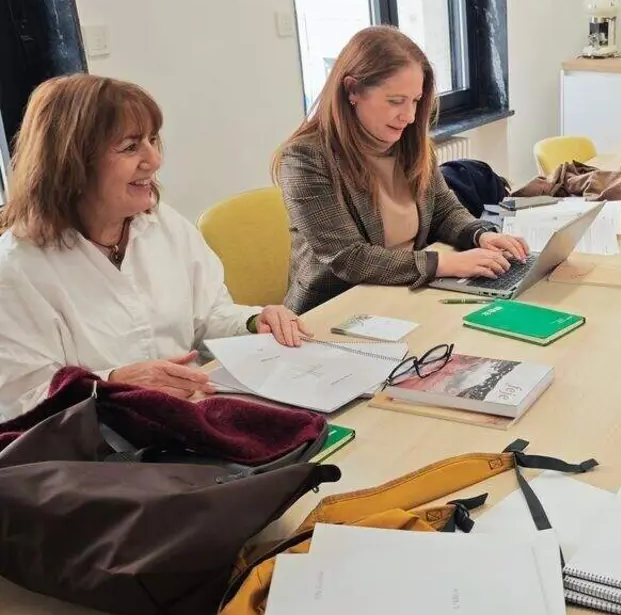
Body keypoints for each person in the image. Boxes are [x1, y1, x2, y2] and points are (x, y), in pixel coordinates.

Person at [0, 74, 306, 421]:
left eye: (153, 140)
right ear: (73, 162)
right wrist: (112, 383)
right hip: (100, 451)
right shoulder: (16, 270)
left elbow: (207, 317)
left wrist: (253, 321)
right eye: (131, 147)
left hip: (187, 418)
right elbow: (21, 401)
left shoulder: (164, 225)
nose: (154, 161)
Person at [276, 26, 528, 314]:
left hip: (405, 296)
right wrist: (443, 263)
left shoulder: (411, 145)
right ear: (352, 90)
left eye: (416, 101)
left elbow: (445, 212)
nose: (408, 116)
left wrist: (480, 235)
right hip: (335, 311)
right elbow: (349, 258)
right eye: (395, 101)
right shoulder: (305, 159)